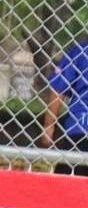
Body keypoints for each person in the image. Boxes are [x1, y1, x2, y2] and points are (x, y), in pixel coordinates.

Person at [40, 36, 88, 176]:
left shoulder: (81, 51)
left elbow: (58, 89)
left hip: (80, 128)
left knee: (69, 185)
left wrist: (49, 127)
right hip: (79, 130)